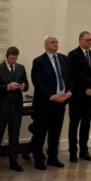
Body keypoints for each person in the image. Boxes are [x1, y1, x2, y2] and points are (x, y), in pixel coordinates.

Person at [30, 36, 70, 169]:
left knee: (56, 131)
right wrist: (52, 96)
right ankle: (38, 158)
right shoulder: (39, 61)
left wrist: (69, 93)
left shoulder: (64, 59)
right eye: (53, 42)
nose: (56, 44)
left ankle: (53, 157)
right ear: (46, 45)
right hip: (44, 103)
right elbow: (37, 82)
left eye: (57, 42)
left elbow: (70, 78)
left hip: (61, 102)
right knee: (41, 132)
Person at [0, 46, 29, 173]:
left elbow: (26, 85)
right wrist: (7, 87)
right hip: (2, 107)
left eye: (16, 58)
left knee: (14, 135)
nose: (14, 61)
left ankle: (14, 162)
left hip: (16, 107)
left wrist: (23, 86)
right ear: (6, 57)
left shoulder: (21, 68)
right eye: (12, 58)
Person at [67, 31, 91, 162]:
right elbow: (76, 74)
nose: (89, 42)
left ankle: (84, 151)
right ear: (80, 41)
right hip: (78, 95)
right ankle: (72, 152)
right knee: (74, 124)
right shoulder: (73, 54)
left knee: (86, 124)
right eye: (87, 40)